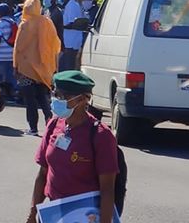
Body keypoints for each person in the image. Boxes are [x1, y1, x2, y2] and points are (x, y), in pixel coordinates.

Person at [26, 71, 120, 223]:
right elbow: (43, 173)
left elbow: (107, 189)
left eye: (62, 96)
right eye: (55, 94)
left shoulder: (100, 135)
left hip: (84, 214)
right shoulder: (54, 124)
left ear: (82, 99)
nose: (56, 99)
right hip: (55, 213)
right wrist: (32, 213)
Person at [14, 0, 61, 136]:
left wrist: (15, 65)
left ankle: (33, 128)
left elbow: (18, 47)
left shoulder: (25, 25)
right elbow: (55, 44)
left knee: (30, 100)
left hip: (26, 68)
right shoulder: (47, 22)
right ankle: (50, 124)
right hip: (44, 68)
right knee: (42, 97)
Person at [0, 4, 19, 101]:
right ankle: (13, 94)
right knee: (11, 76)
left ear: (0, 13)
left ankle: (3, 96)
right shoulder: (14, 22)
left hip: (1, 55)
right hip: (12, 54)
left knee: (1, 76)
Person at [59, 0, 87, 71]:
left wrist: (61, 27)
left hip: (72, 41)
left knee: (70, 64)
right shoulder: (70, 5)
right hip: (70, 41)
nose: (60, 0)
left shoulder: (72, 6)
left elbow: (73, 24)